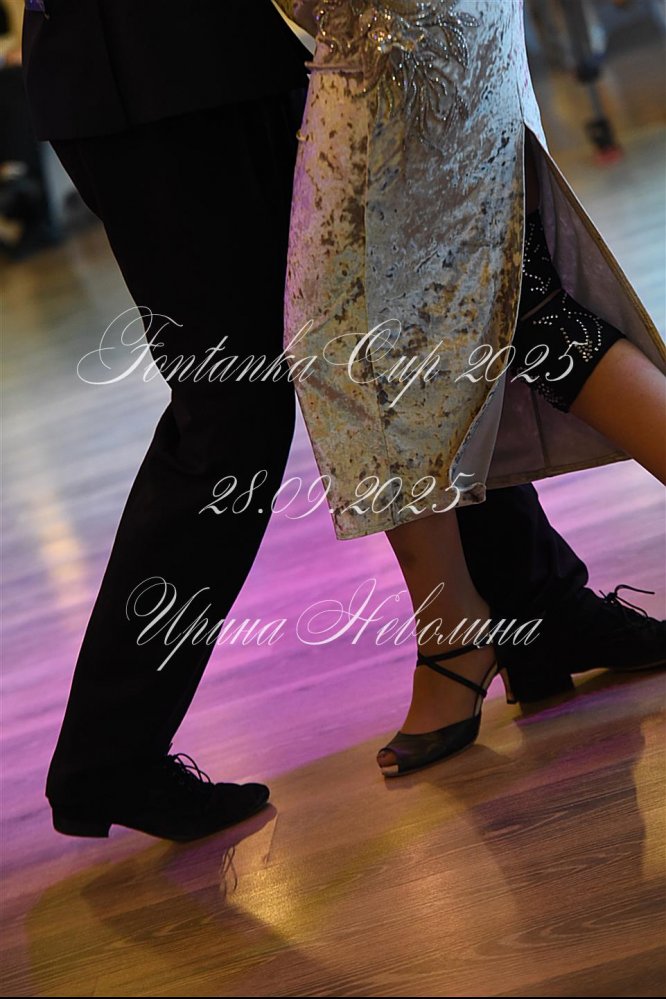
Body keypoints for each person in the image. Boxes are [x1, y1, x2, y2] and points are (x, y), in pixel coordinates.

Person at [19, 0, 664, 841]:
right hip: (169, 73)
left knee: (431, 318)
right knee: (249, 408)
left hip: (295, 46)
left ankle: (525, 610)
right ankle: (110, 752)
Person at [276, 0, 666, 777]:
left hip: (394, 30)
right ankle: (453, 624)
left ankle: (455, 631)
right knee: (512, 303)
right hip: (395, 29)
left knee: (368, 330)